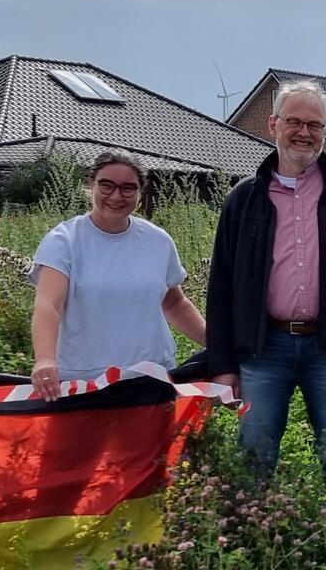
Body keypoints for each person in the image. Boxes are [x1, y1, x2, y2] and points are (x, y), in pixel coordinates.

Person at [206, 79, 326, 488]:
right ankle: (250, 545)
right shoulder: (244, 198)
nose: (304, 133)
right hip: (262, 350)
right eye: (294, 122)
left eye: (315, 125)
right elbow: (220, 288)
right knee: (253, 458)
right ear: (272, 125)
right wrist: (222, 365)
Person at [30, 152, 206, 398]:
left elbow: (174, 302)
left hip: (153, 378)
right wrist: (45, 360)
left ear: (139, 192)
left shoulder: (157, 240)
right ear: (91, 183)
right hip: (84, 381)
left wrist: (216, 345)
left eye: (127, 188)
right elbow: (49, 305)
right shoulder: (64, 241)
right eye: (107, 185)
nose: (116, 196)